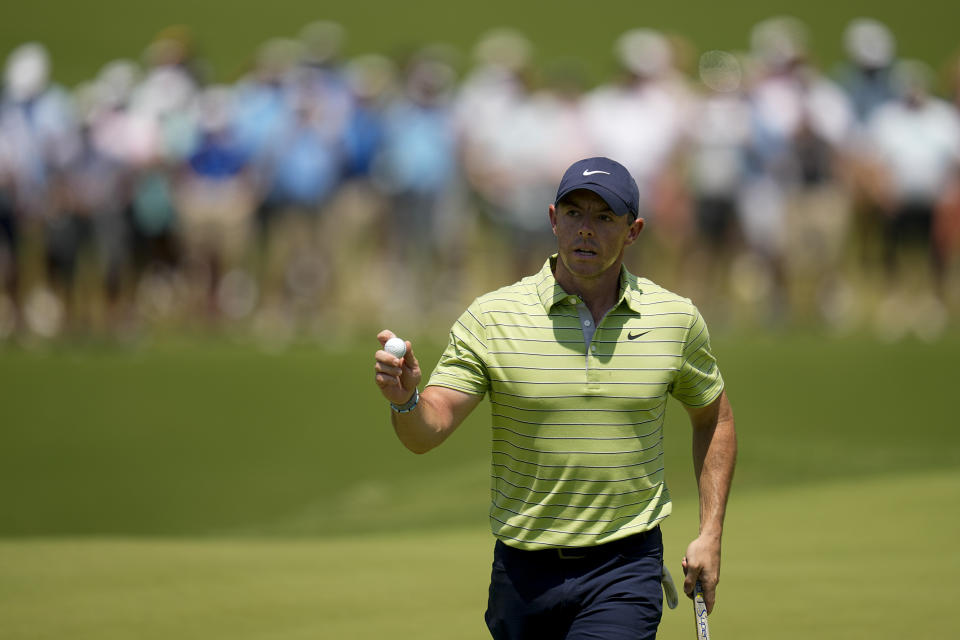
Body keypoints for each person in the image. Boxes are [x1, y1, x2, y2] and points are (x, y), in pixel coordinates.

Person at [373, 157, 737, 639]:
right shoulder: (493, 316)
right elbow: (429, 429)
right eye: (573, 214)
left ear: (633, 231)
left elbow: (715, 419)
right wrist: (406, 400)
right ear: (552, 220)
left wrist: (710, 533)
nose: (585, 230)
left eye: (604, 217)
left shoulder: (674, 320)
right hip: (522, 573)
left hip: (624, 567)